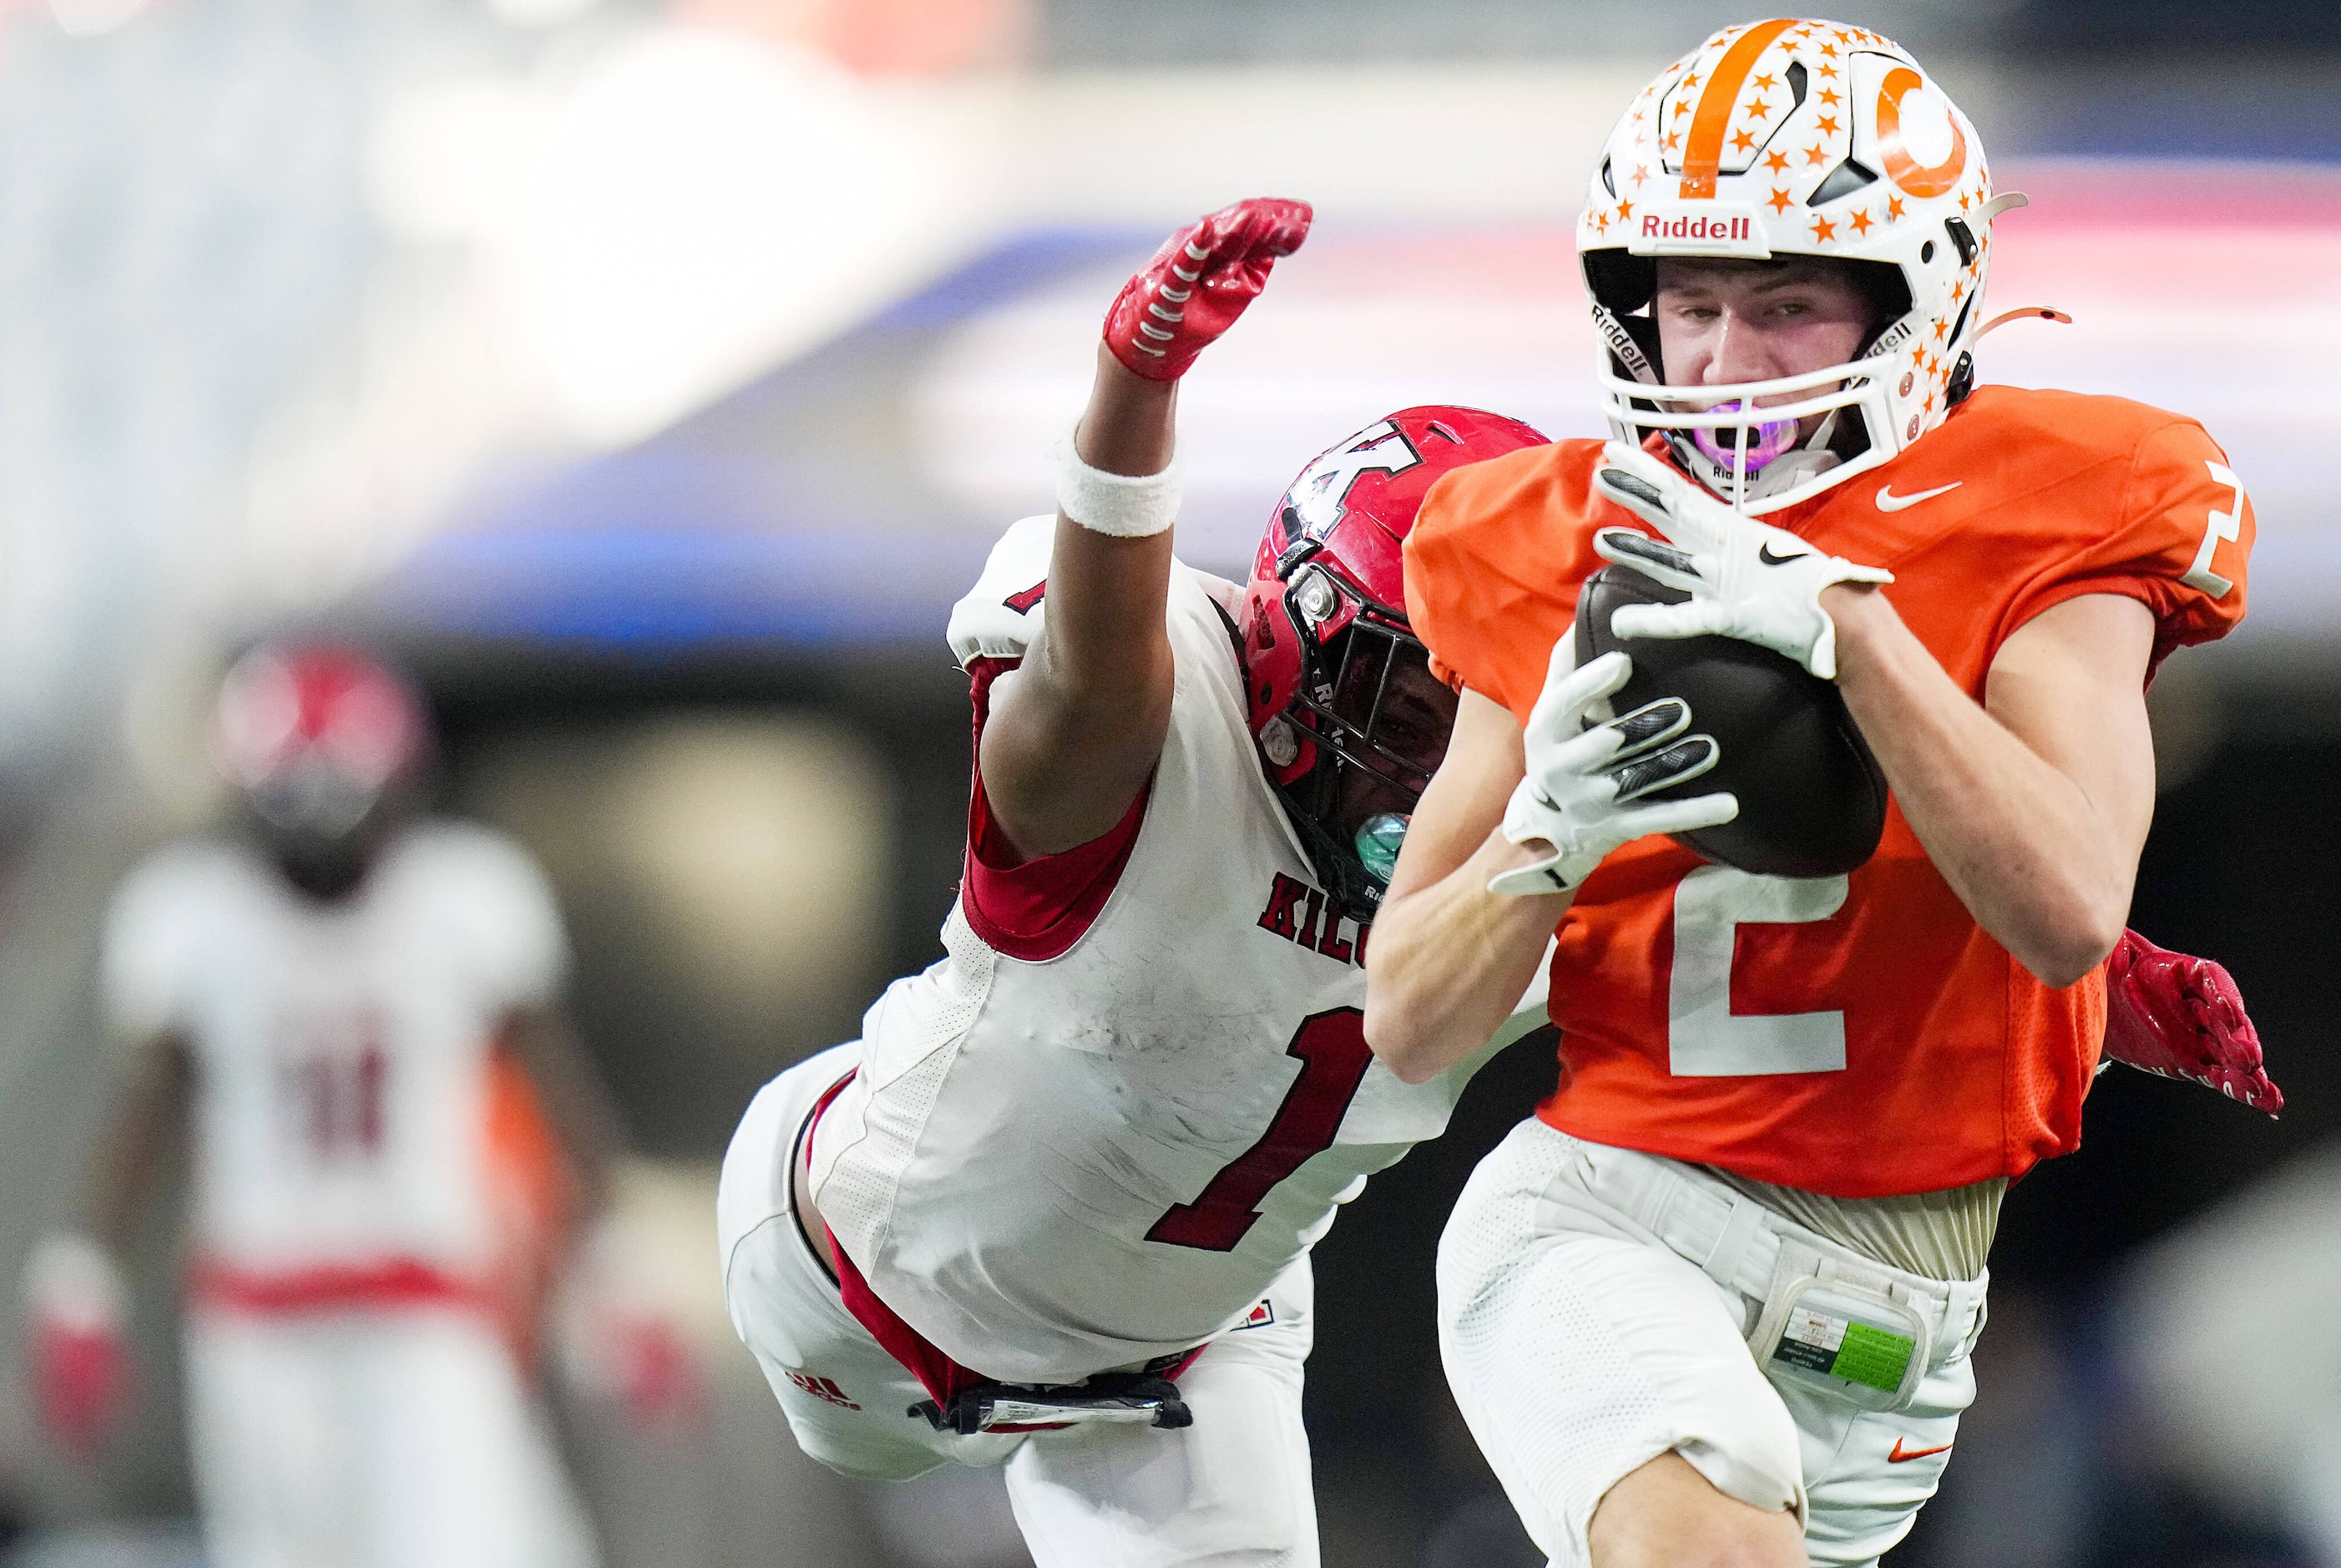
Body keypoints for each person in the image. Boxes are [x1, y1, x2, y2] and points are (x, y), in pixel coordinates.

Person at [1363, 19, 2263, 1568]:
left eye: (1783, 305)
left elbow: (2059, 912)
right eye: (1689, 302)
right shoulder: (1543, 533)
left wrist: (1845, 625)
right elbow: (1408, 1024)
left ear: (1922, 294)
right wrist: (1541, 840)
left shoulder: (2060, 498)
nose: (1719, 362)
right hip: (1613, 1221)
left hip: (1899, 1316)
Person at [717, 199, 1555, 1565]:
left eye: (1498, 706)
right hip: (859, 1282)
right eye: (1413, 707)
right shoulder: (1165, 725)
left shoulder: (1562, 831)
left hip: (1185, 1341)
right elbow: (1086, 690)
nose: (1444, 768)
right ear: (1300, 648)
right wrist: (1132, 397)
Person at [24, 643, 623, 1568]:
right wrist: (84, 1279)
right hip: (260, 1324)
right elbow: (148, 1113)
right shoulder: (193, 919)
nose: (322, 852)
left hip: (426, 1309)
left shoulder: (462, 901)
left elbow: (559, 1103)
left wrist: (607, 1270)